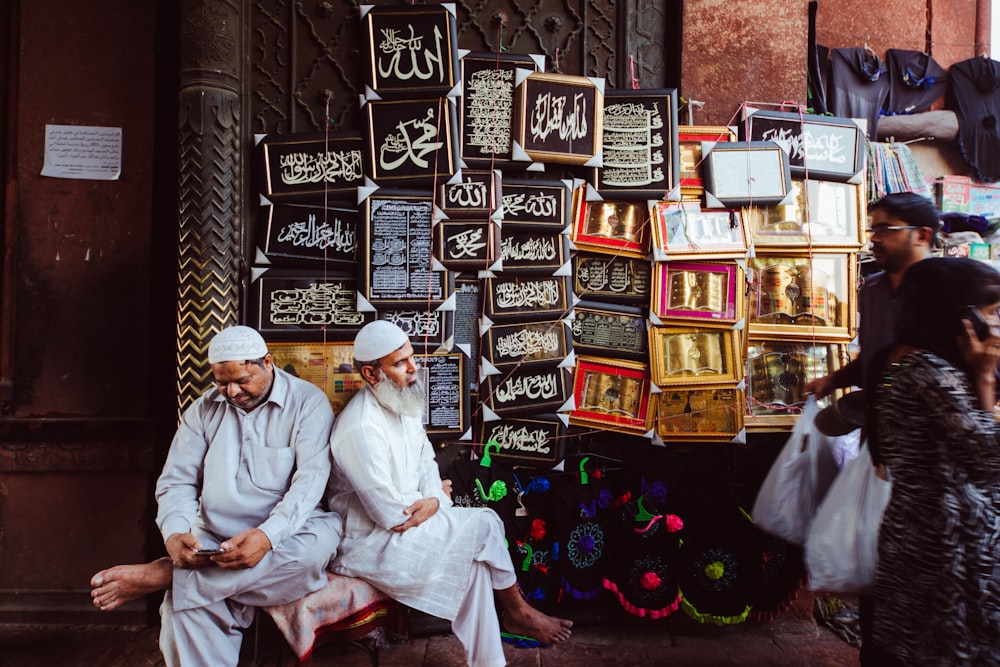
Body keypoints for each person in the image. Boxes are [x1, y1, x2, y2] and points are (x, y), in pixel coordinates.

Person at [89, 326, 341, 667]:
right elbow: (177, 482)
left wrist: (267, 537)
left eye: (242, 380)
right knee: (183, 609)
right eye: (222, 383)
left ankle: (167, 575)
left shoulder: (307, 402)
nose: (232, 391)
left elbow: (310, 482)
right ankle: (186, 578)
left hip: (289, 534)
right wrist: (176, 533)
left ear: (268, 362)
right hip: (214, 538)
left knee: (313, 551)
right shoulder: (203, 409)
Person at [326, 320, 572, 667]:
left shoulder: (400, 400)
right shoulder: (360, 428)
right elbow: (391, 516)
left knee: (474, 564)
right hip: (368, 542)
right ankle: (518, 612)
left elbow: (427, 462)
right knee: (484, 525)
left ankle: (490, 661)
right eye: (399, 363)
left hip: (413, 519)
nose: (413, 369)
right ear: (370, 373)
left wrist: (433, 497)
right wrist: (438, 498)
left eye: (412, 358)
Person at [863, 257, 1000, 665]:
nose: (995, 326)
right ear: (962, 318)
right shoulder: (931, 372)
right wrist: (986, 381)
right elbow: (991, 458)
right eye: (992, 313)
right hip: (948, 538)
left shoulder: (897, 359)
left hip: (918, 528)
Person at [806, 191, 940, 403]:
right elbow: (873, 360)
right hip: (879, 426)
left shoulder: (945, 289)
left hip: (930, 425)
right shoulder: (872, 290)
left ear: (922, 236)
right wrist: (833, 380)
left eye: (886, 229)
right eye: (873, 229)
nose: (874, 238)